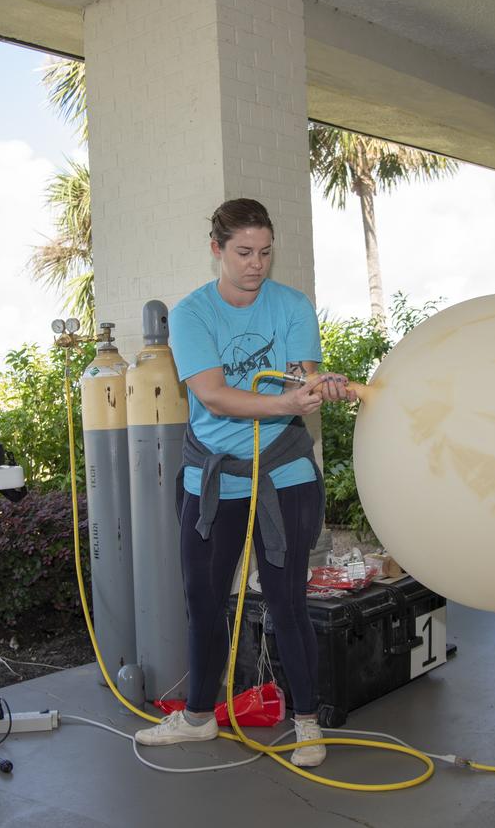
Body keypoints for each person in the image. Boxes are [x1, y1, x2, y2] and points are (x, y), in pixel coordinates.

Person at [134, 198, 355, 768]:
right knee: (203, 602)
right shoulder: (191, 315)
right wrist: (286, 399)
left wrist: (319, 386)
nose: (256, 264)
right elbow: (212, 394)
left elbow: (302, 377)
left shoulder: (293, 306)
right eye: (243, 252)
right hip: (214, 478)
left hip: (283, 472)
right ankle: (199, 716)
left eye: (265, 252)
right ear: (217, 250)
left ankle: (307, 722)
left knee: (286, 602)